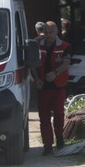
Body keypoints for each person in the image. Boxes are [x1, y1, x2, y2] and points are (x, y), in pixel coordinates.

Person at [32, 20, 71, 156]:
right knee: (44, 117)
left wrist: (55, 73)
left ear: (57, 32)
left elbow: (66, 63)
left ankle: (59, 139)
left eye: (51, 32)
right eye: (46, 32)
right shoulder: (37, 46)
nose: (49, 35)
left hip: (58, 87)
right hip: (42, 88)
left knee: (59, 114)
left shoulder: (65, 46)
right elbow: (32, 65)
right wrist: (36, 79)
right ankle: (47, 145)